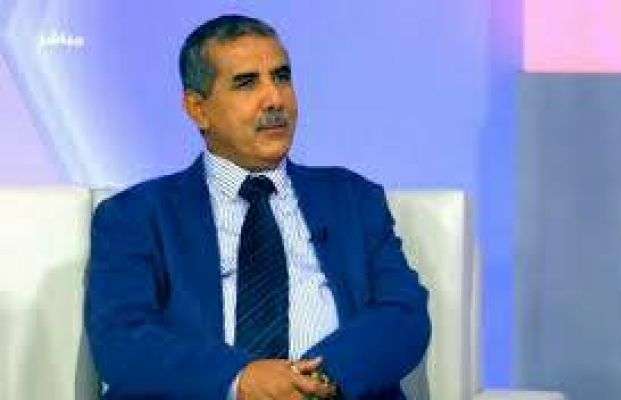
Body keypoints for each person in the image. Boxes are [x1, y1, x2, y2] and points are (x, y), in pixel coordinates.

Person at [85, 14, 430, 400]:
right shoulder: (136, 215)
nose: (275, 99)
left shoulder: (352, 199)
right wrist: (241, 380)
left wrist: (315, 379)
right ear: (198, 109)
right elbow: (122, 339)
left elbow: (403, 314)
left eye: (282, 77)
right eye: (247, 83)